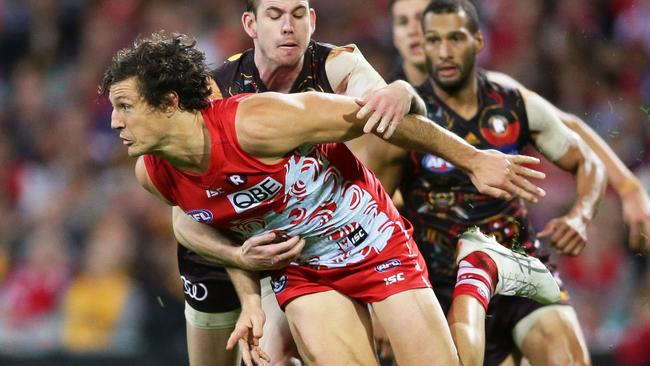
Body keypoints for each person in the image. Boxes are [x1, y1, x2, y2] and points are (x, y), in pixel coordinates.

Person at [101, 31, 559, 365]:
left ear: (169, 102)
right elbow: (196, 221)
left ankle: (480, 271)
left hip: (371, 242)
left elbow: (381, 118)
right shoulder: (152, 172)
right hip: (304, 270)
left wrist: (473, 159)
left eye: (126, 106)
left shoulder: (257, 123)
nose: (116, 123)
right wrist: (248, 284)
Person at [171, 0, 426, 365]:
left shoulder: (336, 65)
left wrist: (402, 92)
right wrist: (244, 282)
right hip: (222, 250)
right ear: (251, 24)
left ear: (312, 20)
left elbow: (385, 111)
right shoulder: (215, 91)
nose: (287, 26)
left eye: (298, 14)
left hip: (299, 250)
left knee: (273, 355)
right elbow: (187, 215)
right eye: (274, 16)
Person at [370, 0, 609, 365]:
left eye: (456, 38)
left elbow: (588, 160)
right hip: (443, 289)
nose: (445, 52)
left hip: (520, 271)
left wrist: (581, 214)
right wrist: (381, 306)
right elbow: (375, 212)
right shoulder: (410, 124)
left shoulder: (513, 104)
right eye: (434, 40)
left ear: (479, 41)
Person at [388, 0, 650, 254]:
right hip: (416, 256)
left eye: (420, 18)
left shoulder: (494, 92)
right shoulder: (382, 104)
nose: (413, 29)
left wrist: (629, 188)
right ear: (393, 34)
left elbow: (568, 126)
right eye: (403, 21)